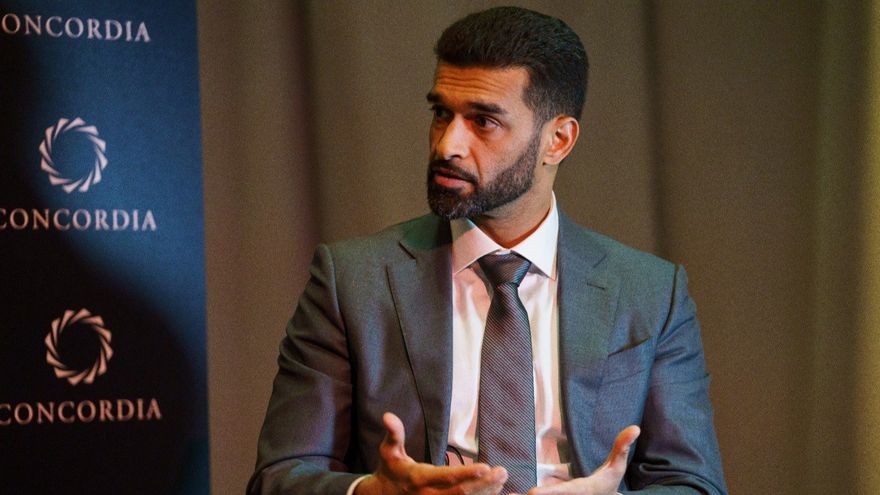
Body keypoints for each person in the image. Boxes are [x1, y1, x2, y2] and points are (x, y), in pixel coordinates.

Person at [248, 6, 727, 495]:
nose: (447, 145)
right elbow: (279, 477)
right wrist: (374, 492)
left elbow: (693, 483)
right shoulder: (351, 281)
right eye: (442, 114)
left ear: (558, 140)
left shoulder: (651, 292)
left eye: (483, 121)